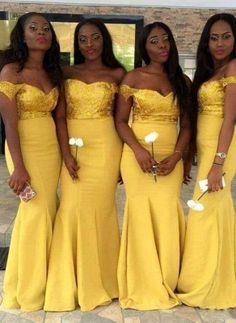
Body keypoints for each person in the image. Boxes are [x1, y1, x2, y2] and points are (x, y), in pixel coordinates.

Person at [44, 18, 125, 312]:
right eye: (82, 39)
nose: (89, 44)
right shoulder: (66, 72)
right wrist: (65, 153)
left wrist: (124, 161)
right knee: (72, 207)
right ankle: (70, 280)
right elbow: (60, 118)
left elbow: (122, 120)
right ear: (76, 44)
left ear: (104, 40)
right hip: (74, 144)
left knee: (102, 211)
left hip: (106, 146)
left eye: (95, 38)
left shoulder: (118, 73)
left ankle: (105, 279)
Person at [115, 21, 191, 310]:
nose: (161, 46)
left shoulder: (181, 81)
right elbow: (120, 121)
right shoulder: (132, 78)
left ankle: (167, 279)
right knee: (140, 213)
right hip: (137, 157)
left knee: (167, 213)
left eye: (165, 40)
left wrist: (178, 155)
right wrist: (137, 150)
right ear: (143, 47)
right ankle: (142, 281)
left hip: (171, 155)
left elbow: (186, 125)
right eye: (154, 41)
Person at [0, 12, 62, 311]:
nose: (41, 32)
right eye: (33, 28)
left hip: (51, 152)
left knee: (46, 212)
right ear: (21, 36)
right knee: (35, 213)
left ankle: (48, 281)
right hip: (24, 150)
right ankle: (27, 289)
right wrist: (19, 166)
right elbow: (9, 124)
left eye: (46, 28)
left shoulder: (54, 72)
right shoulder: (11, 71)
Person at [177, 13, 236, 309]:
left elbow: (230, 119)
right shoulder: (212, 71)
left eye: (226, 36)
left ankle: (204, 285)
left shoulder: (235, 68)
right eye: (213, 37)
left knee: (205, 211)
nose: (219, 43)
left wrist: (217, 164)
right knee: (215, 210)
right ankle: (217, 279)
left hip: (222, 150)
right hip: (209, 150)